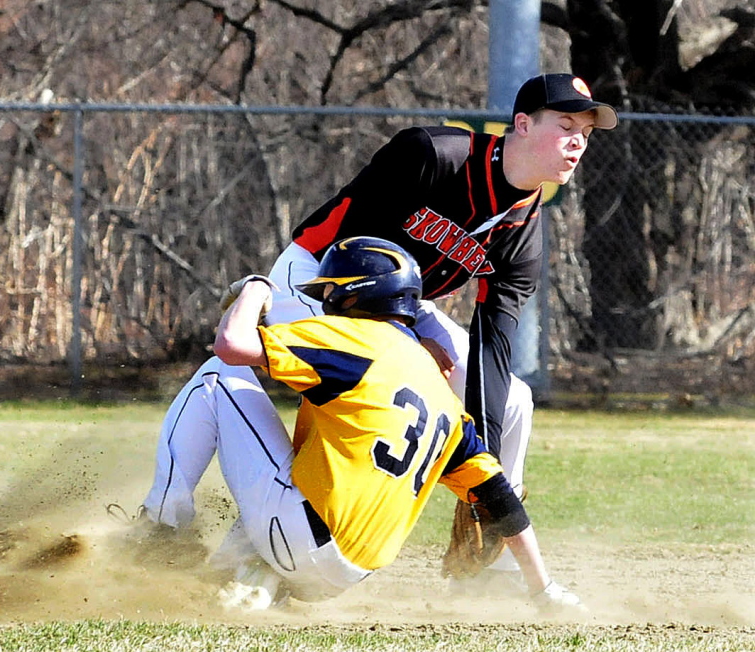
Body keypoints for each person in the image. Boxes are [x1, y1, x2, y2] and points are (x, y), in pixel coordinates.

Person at [263, 73, 618, 587]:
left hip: (402, 307)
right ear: (522, 124)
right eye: (565, 125)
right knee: (364, 396)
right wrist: (410, 347)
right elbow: (354, 257)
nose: (576, 142)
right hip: (317, 276)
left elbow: (493, 345)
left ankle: (487, 554)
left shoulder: (523, 232)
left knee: (514, 401)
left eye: (585, 133)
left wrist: (485, 469)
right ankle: (261, 543)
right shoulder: (434, 155)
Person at [136, 236, 584, 613]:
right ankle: (250, 577)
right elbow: (503, 500)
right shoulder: (445, 400)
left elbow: (231, 345)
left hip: (301, 536)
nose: (324, 303)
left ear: (351, 297)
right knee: (311, 462)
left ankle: (160, 529)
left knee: (219, 377)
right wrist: (543, 589)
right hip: (345, 575)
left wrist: (257, 288)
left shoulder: (352, 339)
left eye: (329, 293)